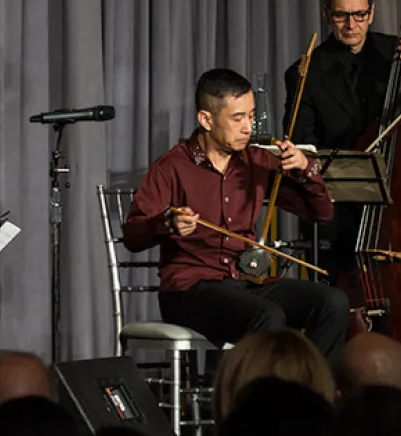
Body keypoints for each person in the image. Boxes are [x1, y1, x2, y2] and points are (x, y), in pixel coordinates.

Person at [124, 69, 348, 358]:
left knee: (333, 303)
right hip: (190, 290)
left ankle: (308, 394)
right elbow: (132, 235)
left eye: (251, 116)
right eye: (237, 118)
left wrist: (306, 168)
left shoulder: (256, 161)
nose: (248, 128)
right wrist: (167, 223)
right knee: (267, 317)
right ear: (206, 119)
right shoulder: (171, 167)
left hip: (245, 282)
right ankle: (250, 400)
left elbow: (322, 213)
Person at [284, 0, 401, 278]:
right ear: (327, 14)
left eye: (360, 14)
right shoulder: (305, 72)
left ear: (372, 12)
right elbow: (303, 143)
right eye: (341, 15)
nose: (351, 25)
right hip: (339, 207)